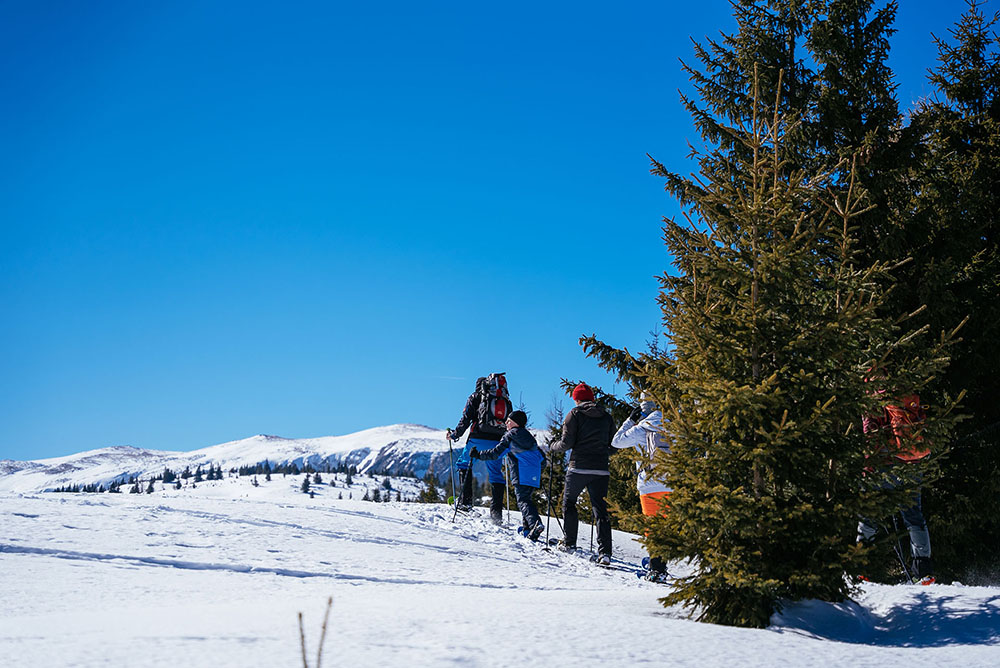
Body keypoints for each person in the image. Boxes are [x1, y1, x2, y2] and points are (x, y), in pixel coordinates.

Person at [857, 391, 935, 584]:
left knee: (869, 514)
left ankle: (858, 568)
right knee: (914, 515)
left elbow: (870, 434)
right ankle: (923, 572)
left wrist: (868, 467)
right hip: (913, 463)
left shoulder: (871, 394)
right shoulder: (906, 391)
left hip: (884, 463)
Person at [548, 382, 617, 565]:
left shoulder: (574, 414)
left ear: (576, 399)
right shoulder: (606, 416)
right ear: (592, 398)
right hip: (601, 469)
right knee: (600, 510)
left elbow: (566, 443)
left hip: (578, 467)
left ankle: (570, 543)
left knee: (569, 503)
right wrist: (602, 453)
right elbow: (614, 444)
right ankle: (605, 553)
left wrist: (553, 446)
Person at [612, 393, 671, 581]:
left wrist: (630, 420)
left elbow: (616, 441)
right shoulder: (672, 426)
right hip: (671, 484)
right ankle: (659, 564)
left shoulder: (640, 428)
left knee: (652, 527)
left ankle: (657, 570)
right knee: (665, 526)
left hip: (649, 485)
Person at [471, 410, 545, 539]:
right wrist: (536, 471)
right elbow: (542, 458)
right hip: (534, 473)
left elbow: (496, 453)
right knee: (526, 499)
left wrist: (478, 454)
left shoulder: (510, 436)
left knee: (523, 500)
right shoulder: (529, 437)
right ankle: (528, 529)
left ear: (515, 423)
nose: (506, 423)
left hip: (521, 473)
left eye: (509, 421)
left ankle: (535, 524)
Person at [449, 375, 512, 524]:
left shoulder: (475, 397)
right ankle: (496, 513)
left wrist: (454, 435)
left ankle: (465, 503)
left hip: (477, 438)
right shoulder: (504, 399)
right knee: (496, 474)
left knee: (464, 464)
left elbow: (465, 419)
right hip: (497, 441)